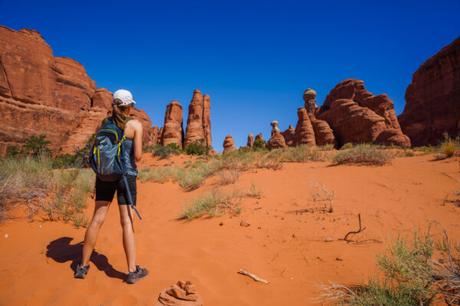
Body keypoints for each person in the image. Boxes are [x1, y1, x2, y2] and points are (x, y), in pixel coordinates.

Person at [74, 89, 148, 284]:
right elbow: (138, 156)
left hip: (104, 175)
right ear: (129, 106)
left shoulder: (104, 124)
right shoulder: (135, 125)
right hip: (126, 176)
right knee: (127, 222)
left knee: (97, 219)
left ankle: (82, 266)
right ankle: (132, 271)